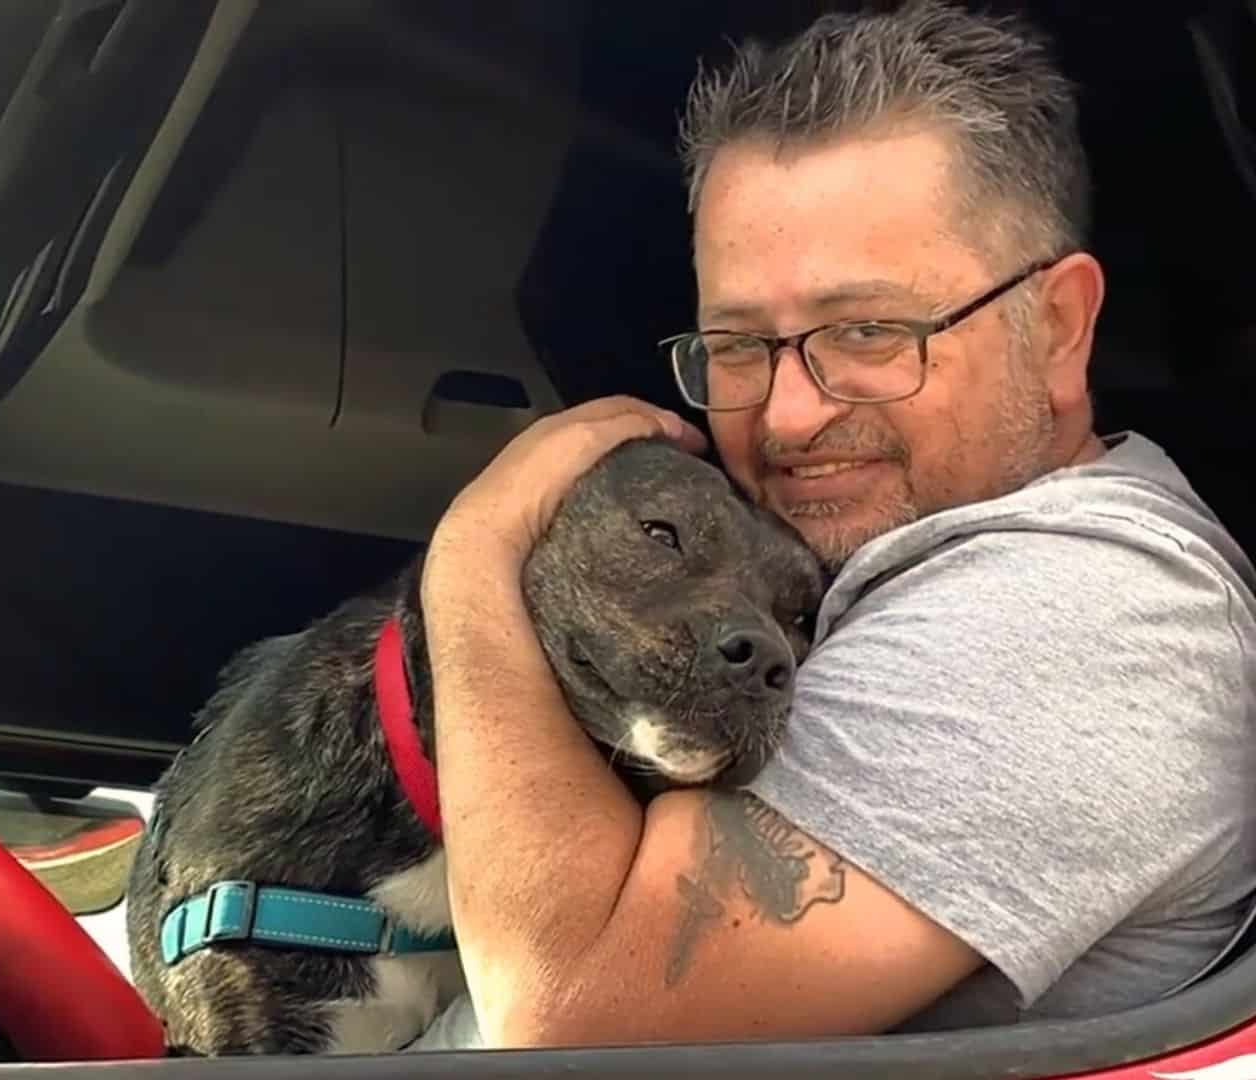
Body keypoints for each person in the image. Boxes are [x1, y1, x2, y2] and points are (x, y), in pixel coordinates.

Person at [408, 0, 1256, 1050]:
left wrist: (477, 548)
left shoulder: (1088, 610)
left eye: (868, 331)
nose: (789, 414)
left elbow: (568, 1021)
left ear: (1059, 327)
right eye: (736, 344)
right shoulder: (900, 571)